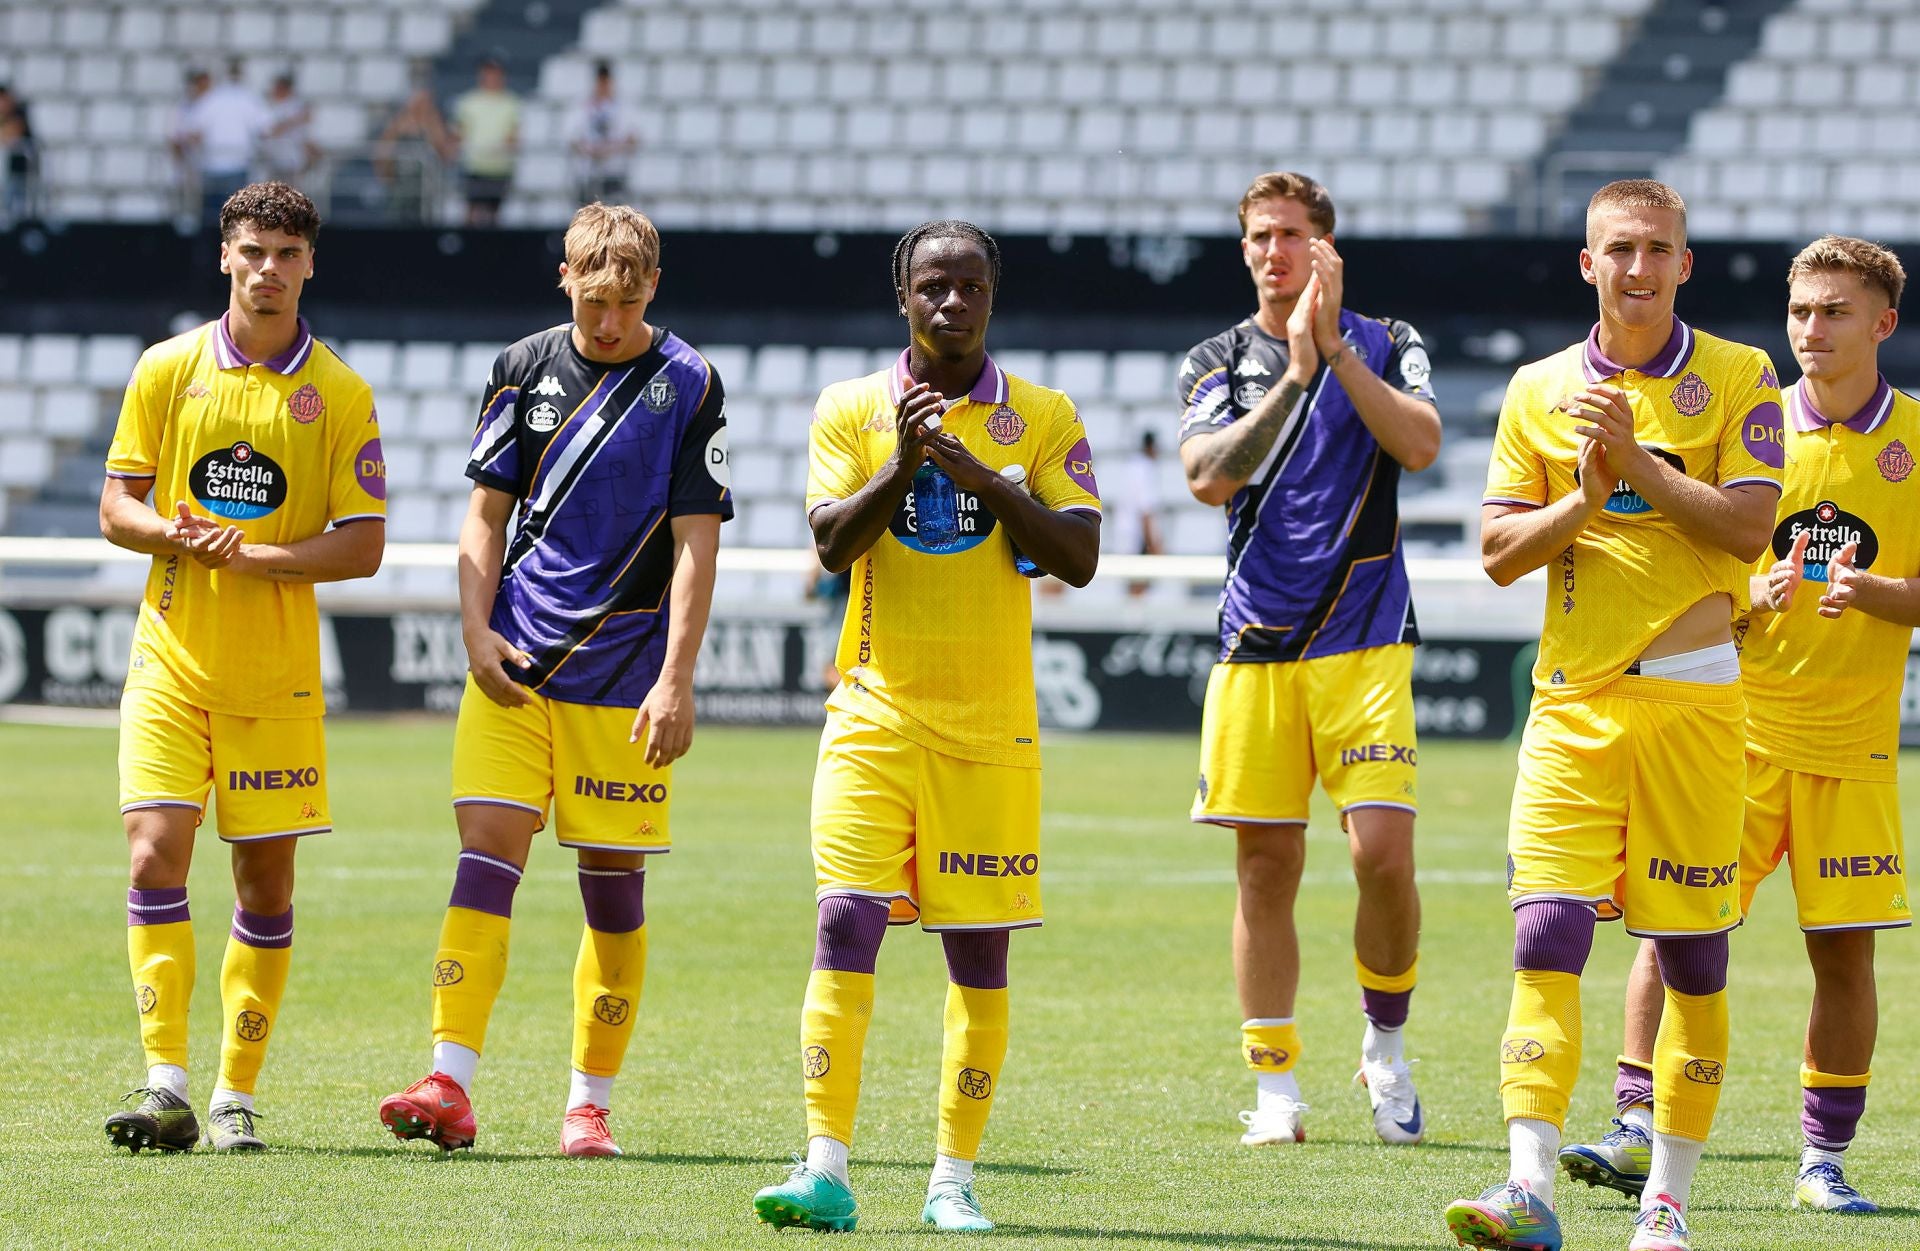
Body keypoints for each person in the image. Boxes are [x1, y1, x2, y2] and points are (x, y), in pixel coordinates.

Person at [1443, 180, 1783, 1251]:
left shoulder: (1741, 374)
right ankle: (1528, 1187)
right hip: (1571, 703)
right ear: (1588, 263)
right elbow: (1499, 552)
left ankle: (1665, 1204)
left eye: (1659, 249)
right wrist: (1584, 499)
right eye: (1620, 249)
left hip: (1695, 704)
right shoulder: (1539, 388)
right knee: (1544, 934)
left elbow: (1749, 529)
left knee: (1692, 957)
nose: (1640, 268)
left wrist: (1634, 463)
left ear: (1686, 263)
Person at [751, 221, 1101, 1234]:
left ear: (992, 297)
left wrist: (984, 477)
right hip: (871, 712)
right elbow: (831, 544)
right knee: (843, 921)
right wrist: (905, 462)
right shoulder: (850, 407)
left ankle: (953, 1177)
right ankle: (825, 1164)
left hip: (992, 730)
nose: (952, 302)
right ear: (902, 296)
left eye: (970, 287)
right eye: (933, 286)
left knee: (978, 956)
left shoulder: (1042, 415)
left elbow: (1078, 556)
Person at [1557, 236, 1913, 1218]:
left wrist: (1872, 591)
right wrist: (1747, 595)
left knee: (1844, 954)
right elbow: (1685, 559)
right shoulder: (1751, 421)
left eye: (1835, 312)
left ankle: (1822, 1162)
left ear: (1883, 324)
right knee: (1672, 927)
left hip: (1853, 751)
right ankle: (1636, 1123)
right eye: (1800, 311)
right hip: (1735, 735)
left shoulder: (1917, 440)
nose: (1811, 329)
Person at [376, 203, 729, 1158]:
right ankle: (449, 1080)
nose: (607, 321)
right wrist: (475, 633)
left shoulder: (691, 382)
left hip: (624, 681)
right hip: (516, 669)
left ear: (652, 289)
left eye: (626, 303)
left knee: (612, 896)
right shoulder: (521, 368)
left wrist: (677, 678)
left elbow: (697, 545)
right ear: (564, 278)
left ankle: (588, 1104)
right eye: (591, 300)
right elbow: (485, 517)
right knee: (484, 863)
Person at [98, 181, 386, 1154]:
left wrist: (258, 556)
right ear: (226, 255)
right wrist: (177, 539)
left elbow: (364, 545)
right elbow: (118, 507)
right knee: (153, 854)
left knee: (264, 884)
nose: (268, 270)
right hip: (170, 661)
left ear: (310, 265)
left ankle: (234, 1095)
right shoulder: (167, 368)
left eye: (286, 255)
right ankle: (165, 1083)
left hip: (276, 680)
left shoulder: (339, 392)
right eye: (253, 252)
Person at [1177, 171, 1439, 1150]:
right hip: (1257, 645)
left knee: (1382, 856)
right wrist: (1293, 375)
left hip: (1365, 640)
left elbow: (1421, 444)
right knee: (1265, 867)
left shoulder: (1390, 340)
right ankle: (1276, 1085)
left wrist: (1334, 354)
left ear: (1326, 248)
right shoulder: (1217, 360)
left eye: (1291, 234)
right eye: (1258, 236)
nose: (1273, 252)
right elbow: (1207, 478)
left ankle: (1386, 1047)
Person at [170, 63, 267, 228]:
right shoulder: (249, 98)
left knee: (212, 218)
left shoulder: (212, 97)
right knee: (236, 221)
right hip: (238, 165)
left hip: (212, 166)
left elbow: (195, 133)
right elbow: (265, 130)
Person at [451, 57, 520, 228]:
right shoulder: (467, 102)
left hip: (500, 168)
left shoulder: (512, 103)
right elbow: (459, 132)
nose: (492, 77)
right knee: (471, 212)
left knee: (494, 215)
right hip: (474, 166)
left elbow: (513, 134)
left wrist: (498, 149)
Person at [373, 83, 456, 225]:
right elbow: (384, 149)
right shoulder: (399, 122)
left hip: (427, 184)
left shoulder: (435, 122)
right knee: (397, 217)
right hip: (402, 182)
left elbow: (445, 153)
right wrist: (384, 172)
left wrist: (431, 126)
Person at [567, 62, 636, 206]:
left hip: (614, 172)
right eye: (600, 81)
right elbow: (573, 140)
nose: (603, 86)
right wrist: (590, 151)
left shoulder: (623, 107)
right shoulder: (583, 106)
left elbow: (633, 139)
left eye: (605, 81)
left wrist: (609, 150)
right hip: (588, 174)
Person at [1114, 429, 1164, 595]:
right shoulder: (1145, 469)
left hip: (1126, 533)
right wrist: (1153, 544)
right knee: (1139, 584)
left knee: (1132, 585)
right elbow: (1145, 511)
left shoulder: (1131, 466)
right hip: (1137, 537)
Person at [258, 73, 320, 190]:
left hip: (293, 163)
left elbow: (306, 131)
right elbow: (268, 133)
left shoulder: (295, 106)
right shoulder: (268, 107)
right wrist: (293, 121)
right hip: (273, 161)